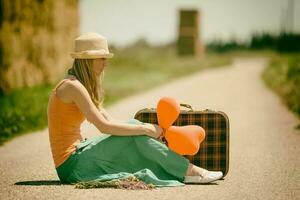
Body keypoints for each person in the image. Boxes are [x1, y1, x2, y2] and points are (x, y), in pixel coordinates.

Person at [47, 32, 223, 188]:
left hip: (79, 153)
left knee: (134, 126)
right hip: (71, 164)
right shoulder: (72, 86)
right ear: (88, 60)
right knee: (136, 131)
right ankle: (189, 171)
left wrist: (141, 126)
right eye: (102, 58)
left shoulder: (78, 85)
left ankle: (185, 170)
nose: (105, 64)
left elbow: (110, 121)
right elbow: (104, 127)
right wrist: (145, 129)